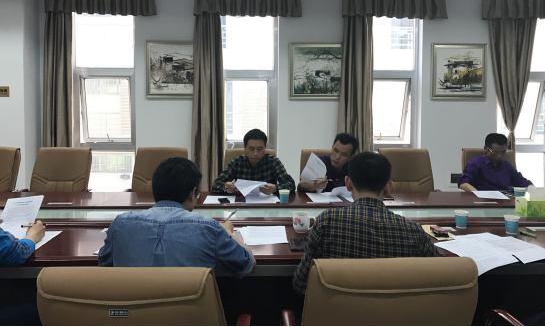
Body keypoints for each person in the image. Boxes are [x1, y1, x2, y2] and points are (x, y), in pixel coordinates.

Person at [292, 152, 444, 296]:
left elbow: (301, 284)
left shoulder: (326, 222)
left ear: (348, 183)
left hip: (338, 311)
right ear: (388, 187)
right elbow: (445, 273)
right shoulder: (413, 231)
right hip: (394, 312)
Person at [98, 157, 255, 278]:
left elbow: (104, 264)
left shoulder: (120, 224)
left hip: (132, 311)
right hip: (189, 312)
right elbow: (247, 264)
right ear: (192, 193)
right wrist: (227, 231)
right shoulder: (209, 228)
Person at [212, 129, 295, 195]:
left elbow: (290, 184)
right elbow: (215, 185)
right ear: (245, 148)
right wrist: (226, 187)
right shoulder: (236, 163)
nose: (255, 153)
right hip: (242, 205)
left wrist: (276, 188)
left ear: (265, 147)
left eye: (259, 149)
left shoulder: (273, 162)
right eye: (251, 149)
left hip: (267, 204)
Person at [459, 133, 533, 192]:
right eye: (495, 152)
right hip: (482, 199)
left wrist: (533, 189)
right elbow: (463, 183)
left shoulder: (506, 165)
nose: (499, 156)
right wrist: (477, 194)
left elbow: (520, 181)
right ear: (486, 149)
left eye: (503, 152)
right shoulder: (475, 163)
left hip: (505, 200)